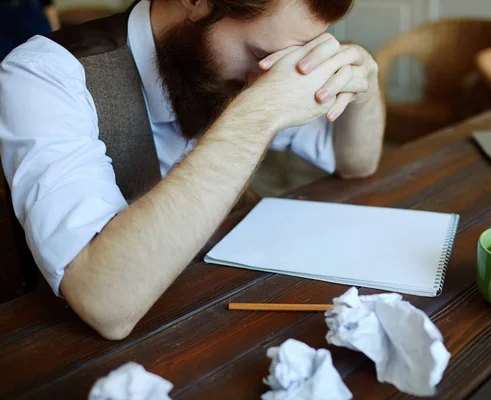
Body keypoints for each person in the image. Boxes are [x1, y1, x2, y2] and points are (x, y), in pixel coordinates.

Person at [0, 0, 384, 340]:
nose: (266, 77)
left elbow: (356, 162)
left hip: (238, 306)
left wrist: (365, 87)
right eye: (258, 54)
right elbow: (105, 305)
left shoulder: (256, 58)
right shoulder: (43, 75)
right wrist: (258, 113)